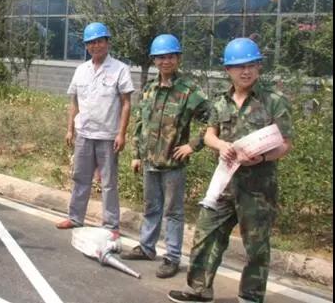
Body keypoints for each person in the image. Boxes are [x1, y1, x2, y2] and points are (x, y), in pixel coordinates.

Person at [168, 38, 293, 303]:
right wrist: (221, 145)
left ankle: (250, 297)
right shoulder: (220, 102)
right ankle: (199, 290)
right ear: (228, 70)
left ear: (259, 67)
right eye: (239, 66)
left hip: (258, 188)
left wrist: (261, 158)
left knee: (256, 247)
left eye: (251, 65)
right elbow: (209, 134)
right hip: (224, 183)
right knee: (205, 234)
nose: (245, 71)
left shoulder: (274, 101)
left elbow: (284, 144)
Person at [120, 34, 210, 279]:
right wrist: (136, 155)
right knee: (151, 207)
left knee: (173, 212)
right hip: (150, 160)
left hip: (173, 163)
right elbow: (141, 123)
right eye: (160, 57)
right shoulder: (149, 88)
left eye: (170, 56)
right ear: (154, 60)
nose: (165, 61)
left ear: (178, 58)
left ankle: (172, 257)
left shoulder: (189, 91)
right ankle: (147, 247)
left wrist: (193, 145)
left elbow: (214, 120)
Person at [56, 22, 135, 232]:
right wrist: (70, 129)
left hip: (108, 135)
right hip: (84, 133)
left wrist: (122, 133)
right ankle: (75, 217)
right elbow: (74, 102)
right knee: (80, 178)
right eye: (91, 43)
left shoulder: (120, 69)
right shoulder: (81, 70)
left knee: (108, 182)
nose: (95, 46)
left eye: (99, 41)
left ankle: (111, 225)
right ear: (86, 46)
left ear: (107, 43)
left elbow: (126, 103)